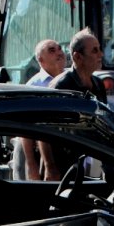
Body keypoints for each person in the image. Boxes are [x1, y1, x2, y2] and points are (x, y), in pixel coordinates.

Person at [16, 39, 69, 180]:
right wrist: (31, 165)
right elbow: (25, 129)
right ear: (40, 59)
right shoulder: (33, 86)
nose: (59, 53)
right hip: (46, 154)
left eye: (60, 49)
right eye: (52, 50)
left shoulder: (72, 79)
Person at [49, 28, 106, 102]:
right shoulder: (61, 86)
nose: (101, 54)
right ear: (77, 57)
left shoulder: (99, 83)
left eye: (99, 49)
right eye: (94, 50)